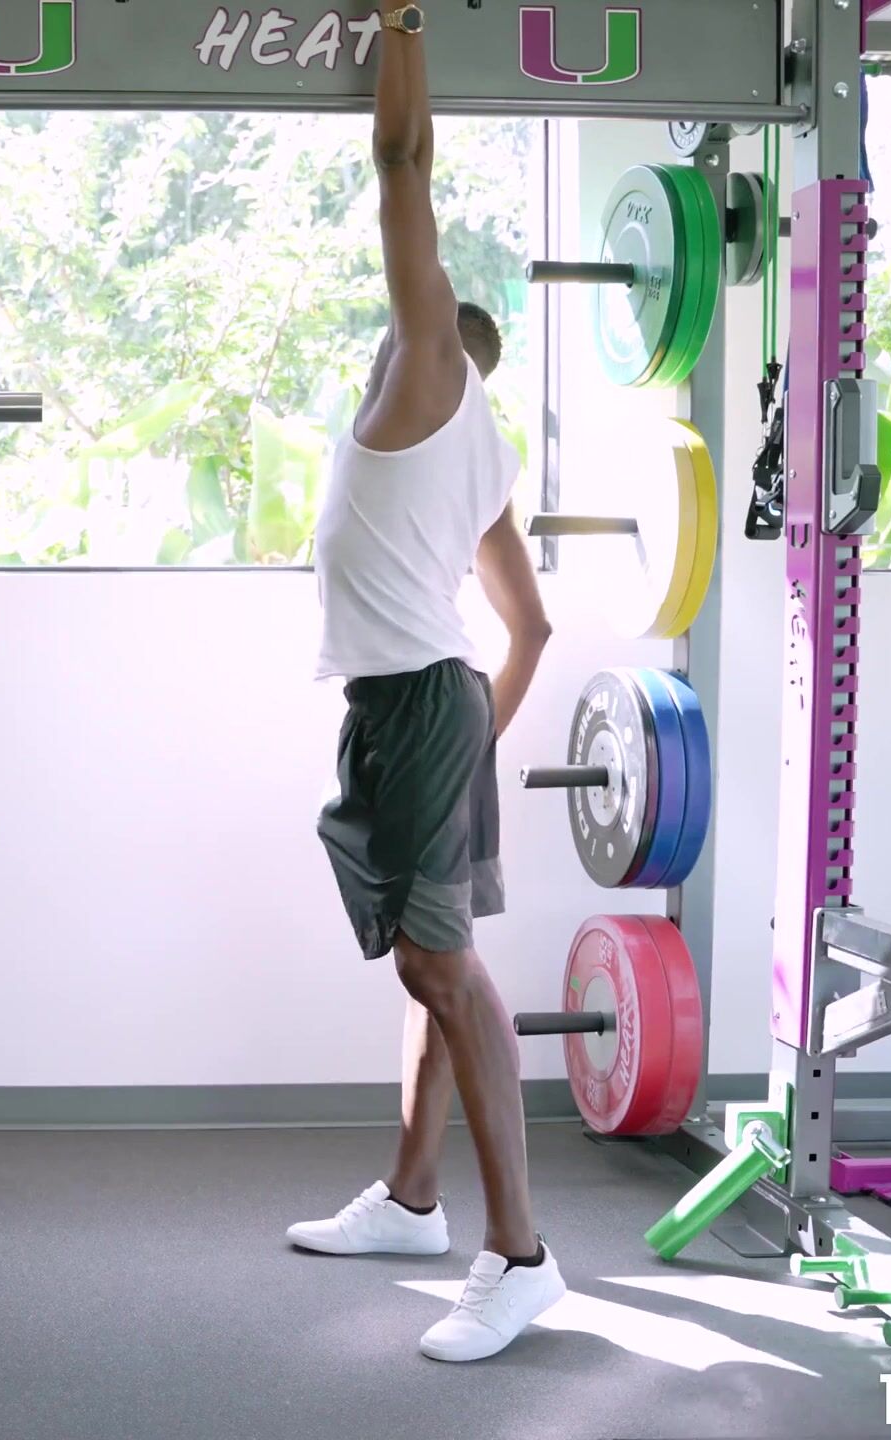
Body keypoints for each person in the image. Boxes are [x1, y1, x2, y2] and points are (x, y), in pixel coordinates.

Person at [284, 2, 565, 1363]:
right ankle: (411, 1203)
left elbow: (402, 164)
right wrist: (474, 739)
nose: (391, 330)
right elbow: (532, 628)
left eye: (414, 318)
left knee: (441, 969)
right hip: (422, 706)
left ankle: (521, 1257)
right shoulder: (475, 455)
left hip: (417, 705)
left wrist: (399, 21)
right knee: (431, 965)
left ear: (442, 337)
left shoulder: (431, 369)